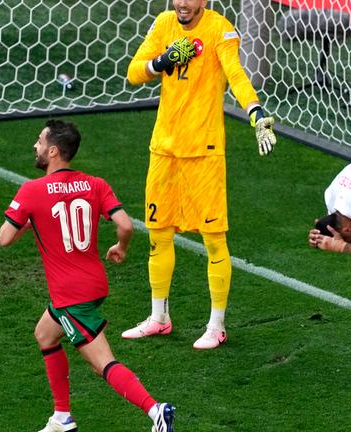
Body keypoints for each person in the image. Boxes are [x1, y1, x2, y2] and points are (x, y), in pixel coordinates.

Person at [0, 120, 176, 432]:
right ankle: (62, 418)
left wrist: (28, 220)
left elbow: (4, 238)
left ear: (53, 151)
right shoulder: (95, 184)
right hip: (93, 282)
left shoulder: (31, 190)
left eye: (39, 142)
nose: (35, 147)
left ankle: (155, 410)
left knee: (101, 362)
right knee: (45, 334)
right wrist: (120, 247)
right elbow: (126, 226)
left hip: (70, 295)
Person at [123, 0, 277, 349]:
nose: (181, 4)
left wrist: (255, 112)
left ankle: (217, 326)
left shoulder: (220, 29)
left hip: (204, 153)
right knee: (158, 233)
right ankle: (158, 317)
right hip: (164, 149)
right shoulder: (163, 25)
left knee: (213, 239)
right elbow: (133, 72)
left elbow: (236, 74)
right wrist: (161, 62)